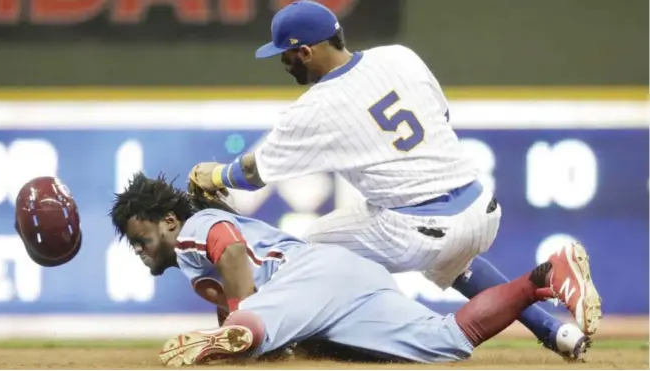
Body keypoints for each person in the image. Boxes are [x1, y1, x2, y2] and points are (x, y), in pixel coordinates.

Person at [186, 0, 601, 360]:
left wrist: (215, 173)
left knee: (310, 251)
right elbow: (441, 117)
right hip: (479, 207)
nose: (282, 61)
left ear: (306, 51)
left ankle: (277, 335)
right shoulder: (401, 56)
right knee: (452, 261)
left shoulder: (317, 107)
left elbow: (255, 174)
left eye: (286, 54)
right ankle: (558, 332)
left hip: (418, 228)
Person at [109, 173, 600, 366]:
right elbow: (240, 279)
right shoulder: (199, 256)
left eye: (141, 238)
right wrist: (241, 329)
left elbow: (231, 251)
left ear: (168, 221)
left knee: (252, 334)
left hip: (308, 276)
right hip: (342, 281)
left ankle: (247, 337)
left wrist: (242, 322)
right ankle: (544, 279)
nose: (139, 248)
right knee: (444, 342)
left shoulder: (194, 229)